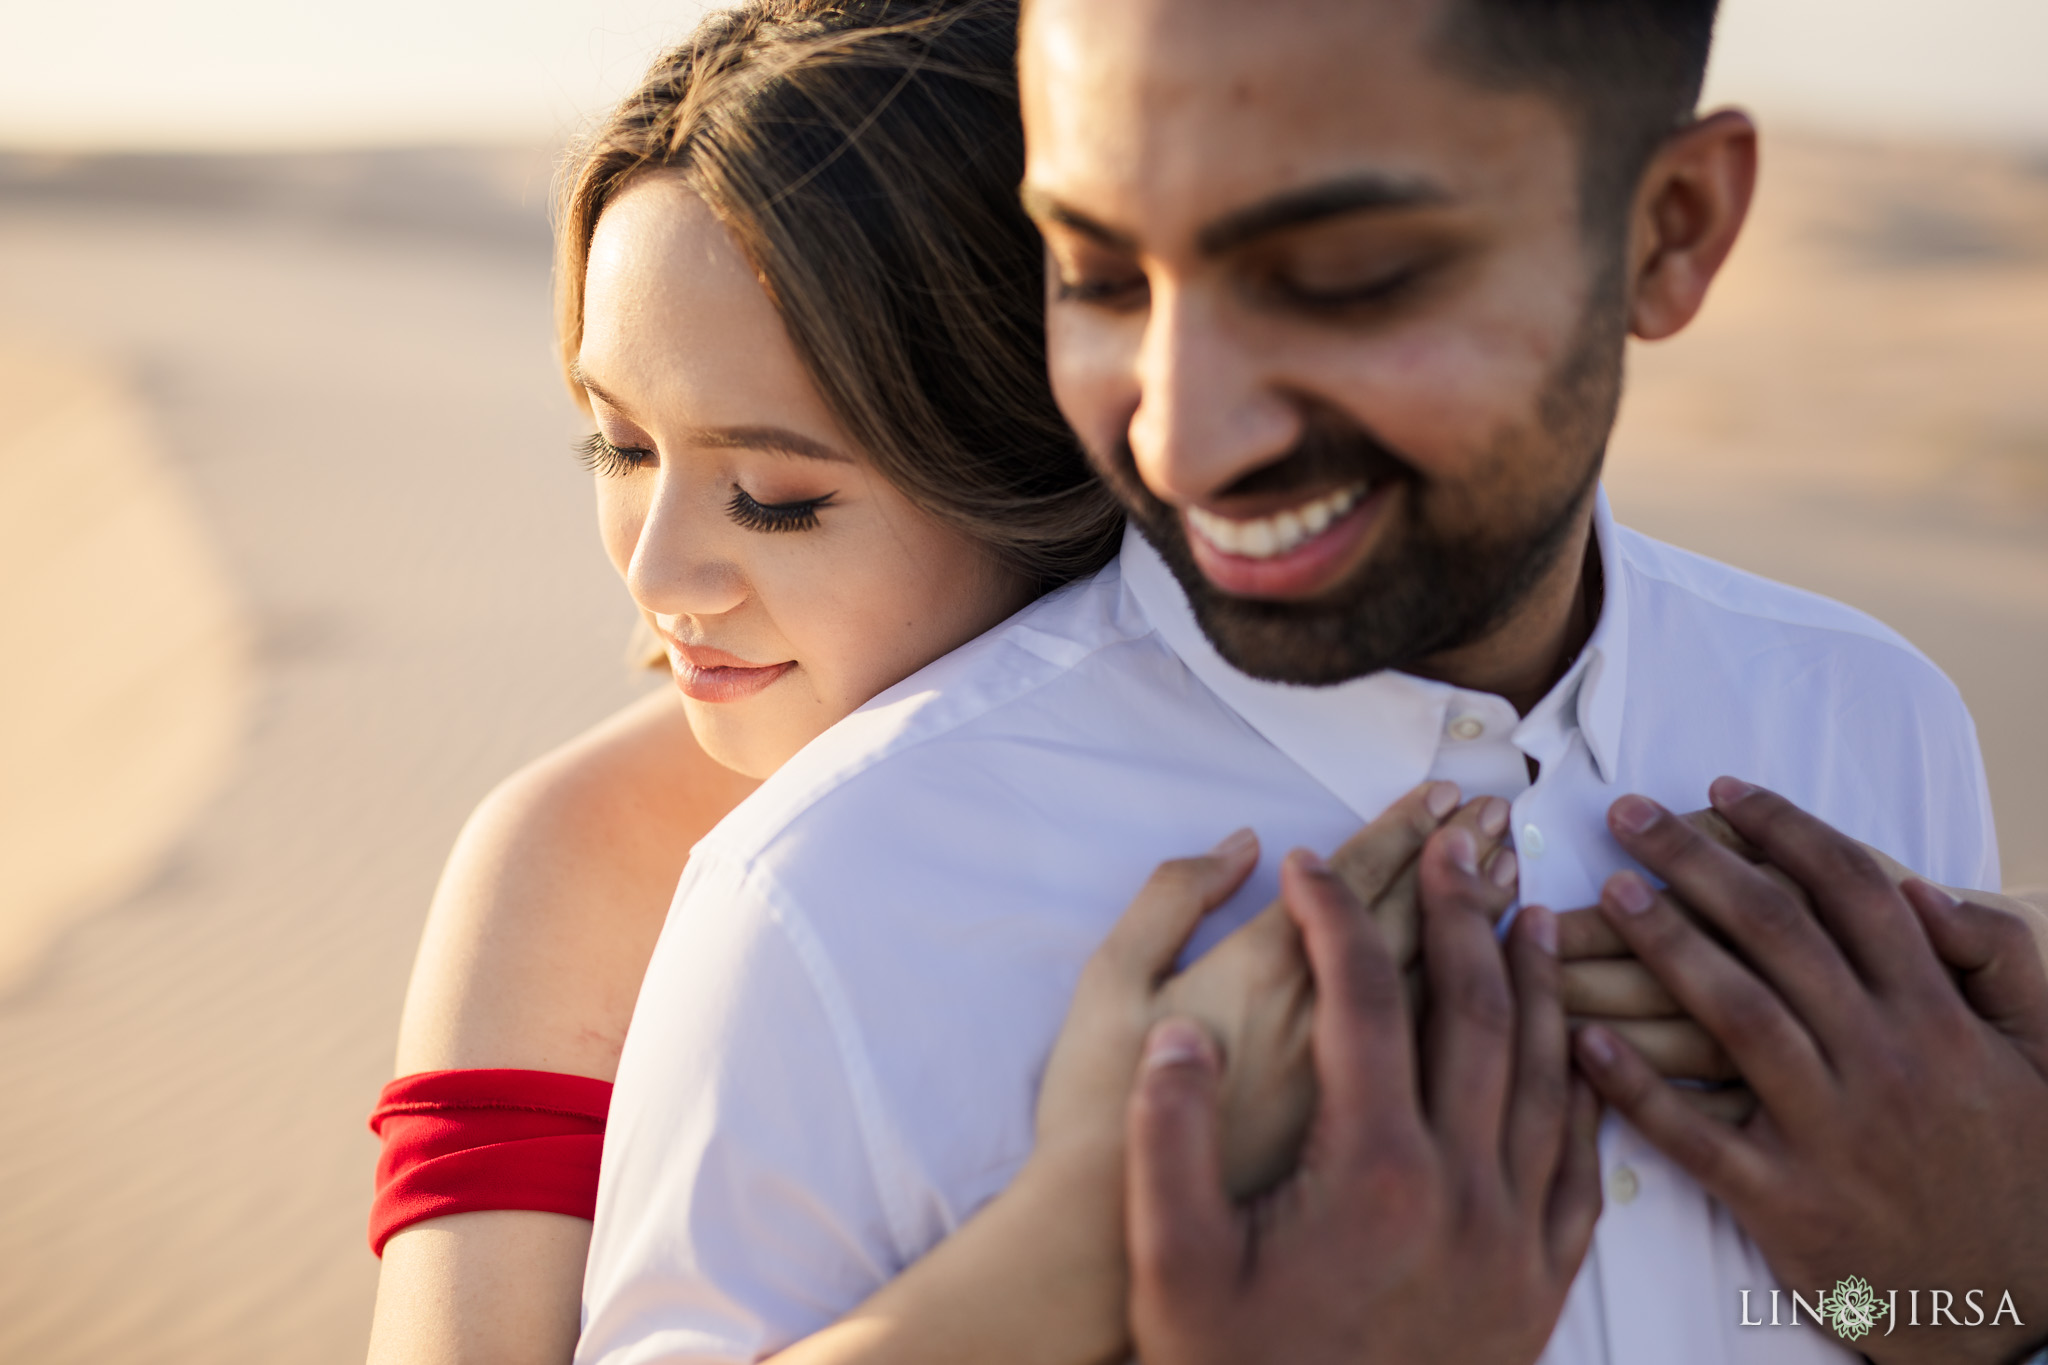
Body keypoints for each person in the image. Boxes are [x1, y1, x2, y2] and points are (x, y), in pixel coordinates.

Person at [579, 1, 2043, 1363]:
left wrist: (1993, 1291)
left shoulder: (1870, 724)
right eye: (1096, 274)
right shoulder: (837, 896)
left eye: (1336, 282)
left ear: (1672, 230)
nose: (1181, 436)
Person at [366, 4, 1656, 1361]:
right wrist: (1100, 1215)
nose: (659, 572)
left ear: (1045, 457)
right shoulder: (583, 858)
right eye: (616, 449)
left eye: (778, 498)